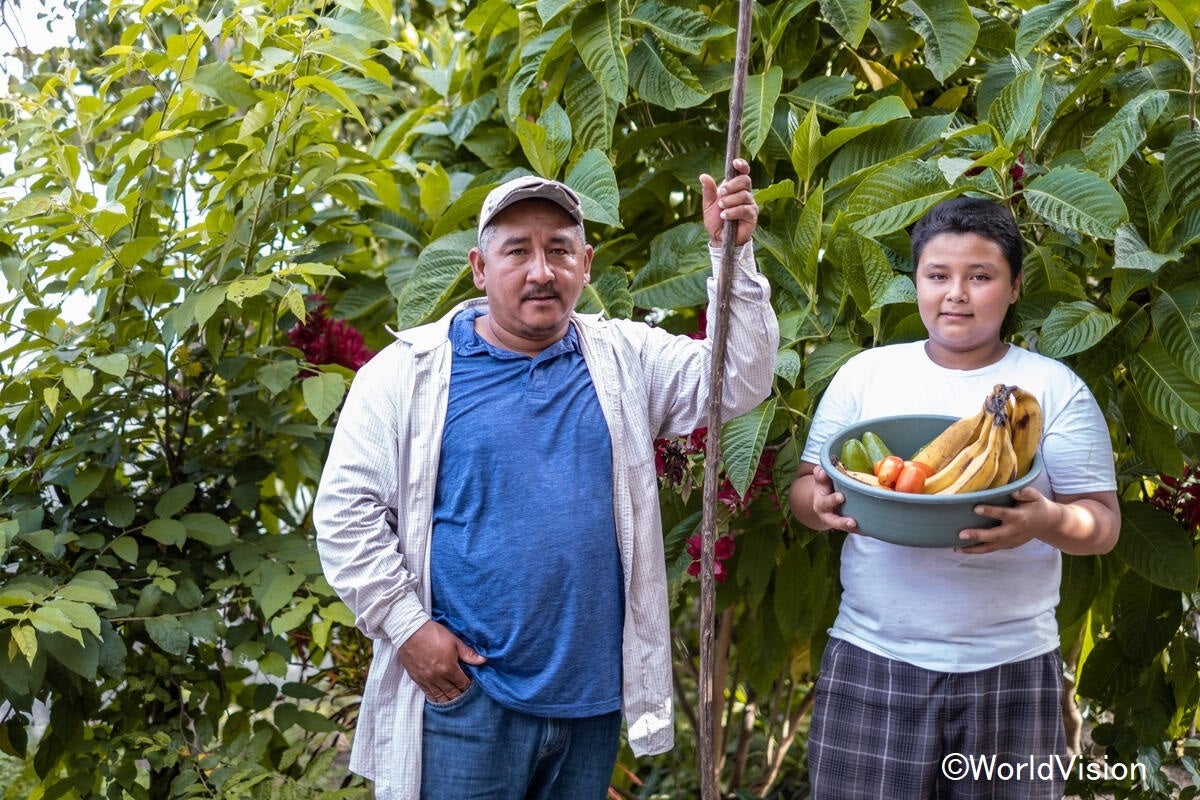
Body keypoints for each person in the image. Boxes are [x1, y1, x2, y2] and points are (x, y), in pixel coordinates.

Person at [314, 160, 779, 800]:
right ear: (479, 268)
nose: (541, 271)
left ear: (585, 265)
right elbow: (345, 515)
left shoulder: (624, 356)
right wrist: (407, 628)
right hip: (465, 699)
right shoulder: (407, 373)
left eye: (559, 250)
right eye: (518, 251)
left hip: (589, 704)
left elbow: (739, 379)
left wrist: (733, 257)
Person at [787, 196, 1120, 799]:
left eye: (981, 276)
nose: (956, 294)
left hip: (1014, 665)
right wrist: (824, 507)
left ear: (1016, 286)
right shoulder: (866, 374)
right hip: (873, 656)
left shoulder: (1051, 390)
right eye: (937, 276)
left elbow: (1102, 525)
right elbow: (806, 492)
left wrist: (1044, 521)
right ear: (915, 281)